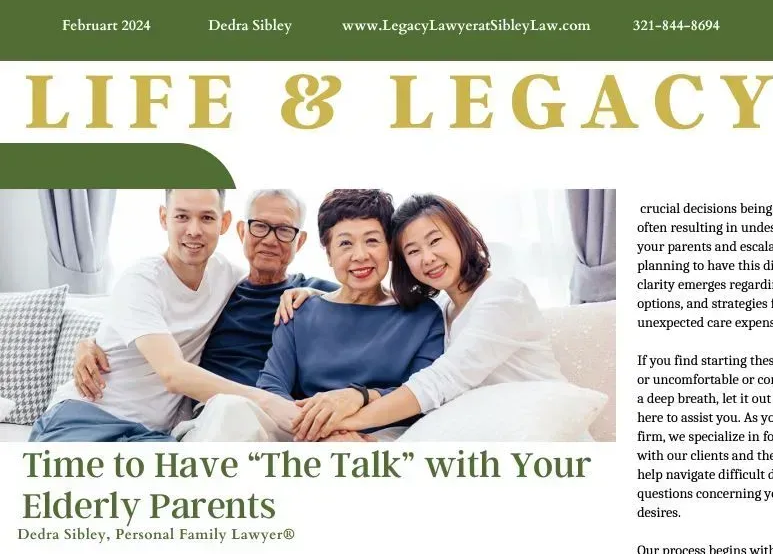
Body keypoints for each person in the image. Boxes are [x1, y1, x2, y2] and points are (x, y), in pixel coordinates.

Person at [289, 193, 565, 440]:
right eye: (413, 251)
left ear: (461, 236)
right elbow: (359, 294)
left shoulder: (504, 295)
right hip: (487, 430)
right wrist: (311, 293)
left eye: (435, 241)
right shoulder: (444, 304)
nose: (428, 258)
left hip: (539, 427)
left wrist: (343, 424)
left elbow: (440, 381)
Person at [30, 189, 297, 442]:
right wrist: (268, 402)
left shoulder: (227, 276)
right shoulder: (141, 279)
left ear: (224, 222)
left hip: (148, 436)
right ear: (163, 218)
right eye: (181, 216)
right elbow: (173, 374)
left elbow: (274, 280)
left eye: (206, 217)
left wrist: (307, 292)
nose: (194, 230)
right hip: (85, 419)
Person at [216, 189, 446, 442]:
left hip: (382, 436)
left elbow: (419, 394)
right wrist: (322, 433)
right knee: (230, 410)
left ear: (390, 249)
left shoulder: (424, 316)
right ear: (328, 255)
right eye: (345, 243)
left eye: (371, 241)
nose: (360, 255)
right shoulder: (298, 310)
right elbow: (272, 386)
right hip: (301, 429)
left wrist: (355, 408)